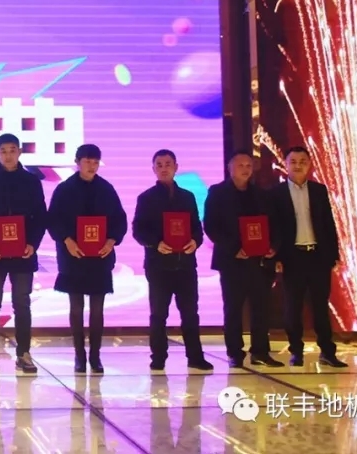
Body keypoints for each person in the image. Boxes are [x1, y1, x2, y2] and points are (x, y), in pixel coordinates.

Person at [0, 134, 49, 376]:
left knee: (22, 303)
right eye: (3, 150)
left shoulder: (31, 181)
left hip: (24, 252)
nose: (8, 155)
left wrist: (33, 244)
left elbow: (40, 216)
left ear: (20, 152)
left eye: (13, 150)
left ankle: (24, 353)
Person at [49, 144, 127, 374]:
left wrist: (111, 241)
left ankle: (95, 356)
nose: (91, 166)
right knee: (76, 308)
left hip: (100, 257)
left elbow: (119, 220)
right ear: (77, 162)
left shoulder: (106, 189)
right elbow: (53, 220)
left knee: (97, 309)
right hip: (73, 256)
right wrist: (67, 240)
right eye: (87, 161)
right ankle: (79, 355)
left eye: (95, 162)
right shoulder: (64, 189)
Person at [132, 149, 213, 371]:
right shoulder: (146, 198)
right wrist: (156, 243)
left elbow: (196, 228)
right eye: (159, 165)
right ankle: (158, 358)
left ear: (176, 167)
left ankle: (195, 357)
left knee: (190, 313)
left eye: (168, 164)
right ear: (153, 169)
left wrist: (195, 242)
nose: (164, 168)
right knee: (159, 314)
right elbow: (138, 231)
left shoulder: (187, 197)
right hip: (158, 266)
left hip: (185, 264)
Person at [203, 150, 284, 368]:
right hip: (232, 261)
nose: (245, 170)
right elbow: (210, 226)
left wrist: (273, 247)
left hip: (260, 262)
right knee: (233, 309)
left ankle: (260, 351)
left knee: (261, 308)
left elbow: (275, 224)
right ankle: (234, 353)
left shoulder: (262, 194)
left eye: (249, 166)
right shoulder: (217, 192)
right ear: (230, 168)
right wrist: (234, 249)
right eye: (240, 165)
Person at [271, 146, 348, 368]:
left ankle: (327, 352)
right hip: (292, 257)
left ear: (309, 164)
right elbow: (274, 227)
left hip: (317, 256)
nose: (298, 165)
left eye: (302, 161)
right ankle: (296, 351)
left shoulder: (318, 190)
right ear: (286, 165)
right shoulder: (276, 193)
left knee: (320, 306)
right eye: (293, 161)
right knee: (292, 307)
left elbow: (328, 224)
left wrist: (333, 255)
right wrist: (276, 257)